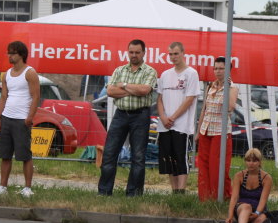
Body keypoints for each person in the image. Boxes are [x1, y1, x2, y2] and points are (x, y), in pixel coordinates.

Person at [97, 39, 158, 196]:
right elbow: (110, 91)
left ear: (144, 53)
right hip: (121, 114)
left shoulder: (150, 71)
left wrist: (123, 85)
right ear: (127, 52)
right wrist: (133, 90)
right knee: (109, 153)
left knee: (138, 156)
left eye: (137, 52)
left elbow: (144, 90)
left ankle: (134, 194)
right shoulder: (119, 70)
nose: (134, 55)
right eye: (131, 52)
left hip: (141, 115)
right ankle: (104, 192)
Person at [0, 40, 39, 198]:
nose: (9, 56)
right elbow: (3, 97)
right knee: (5, 155)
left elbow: (35, 97)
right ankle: (2, 186)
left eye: (12, 53)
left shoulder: (30, 73)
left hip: (22, 119)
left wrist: (29, 117)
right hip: (7, 118)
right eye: (8, 52)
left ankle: (27, 188)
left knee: (25, 155)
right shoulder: (6, 74)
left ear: (21, 55)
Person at [155, 41, 200, 194]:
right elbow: (159, 98)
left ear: (183, 53)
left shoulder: (191, 73)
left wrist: (172, 117)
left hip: (181, 125)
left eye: (176, 53)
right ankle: (174, 191)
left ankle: (181, 191)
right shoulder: (165, 74)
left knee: (180, 157)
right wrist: (163, 117)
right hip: (165, 125)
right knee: (169, 158)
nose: (173, 57)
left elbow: (189, 99)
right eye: (170, 54)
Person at [196, 56, 239, 201]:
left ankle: (219, 196)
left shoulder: (233, 88)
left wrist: (227, 87)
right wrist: (198, 131)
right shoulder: (210, 86)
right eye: (216, 68)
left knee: (217, 166)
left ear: (228, 70)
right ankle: (204, 197)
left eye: (221, 68)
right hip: (206, 129)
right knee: (203, 164)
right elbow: (204, 109)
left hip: (220, 131)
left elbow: (230, 107)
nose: (218, 71)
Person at [226, 148, 273, 223]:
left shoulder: (267, 178)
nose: (251, 163)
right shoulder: (239, 176)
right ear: (245, 161)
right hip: (242, 208)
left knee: (259, 220)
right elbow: (234, 198)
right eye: (248, 160)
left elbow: (263, 200)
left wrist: (257, 213)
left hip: (258, 209)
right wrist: (230, 215)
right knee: (247, 207)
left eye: (254, 161)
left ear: (260, 162)